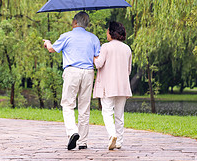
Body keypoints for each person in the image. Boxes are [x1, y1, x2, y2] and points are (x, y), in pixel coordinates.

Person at [43, 12, 100, 150]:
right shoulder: (94, 38)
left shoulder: (66, 36)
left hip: (72, 71)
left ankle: (72, 132)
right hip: (88, 72)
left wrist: (47, 42)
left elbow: (52, 49)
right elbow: (97, 57)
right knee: (84, 107)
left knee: (68, 104)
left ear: (75, 22)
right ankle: (83, 142)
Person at [93, 21, 132, 150]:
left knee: (107, 111)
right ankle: (119, 141)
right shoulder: (127, 48)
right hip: (123, 85)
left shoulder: (106, 47)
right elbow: (129, 69)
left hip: (108, 85)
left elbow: (99, 64)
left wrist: (93, 57)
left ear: (111, 32)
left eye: (107, 31)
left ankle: (112, 135)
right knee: (119, 114)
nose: (106, 33)